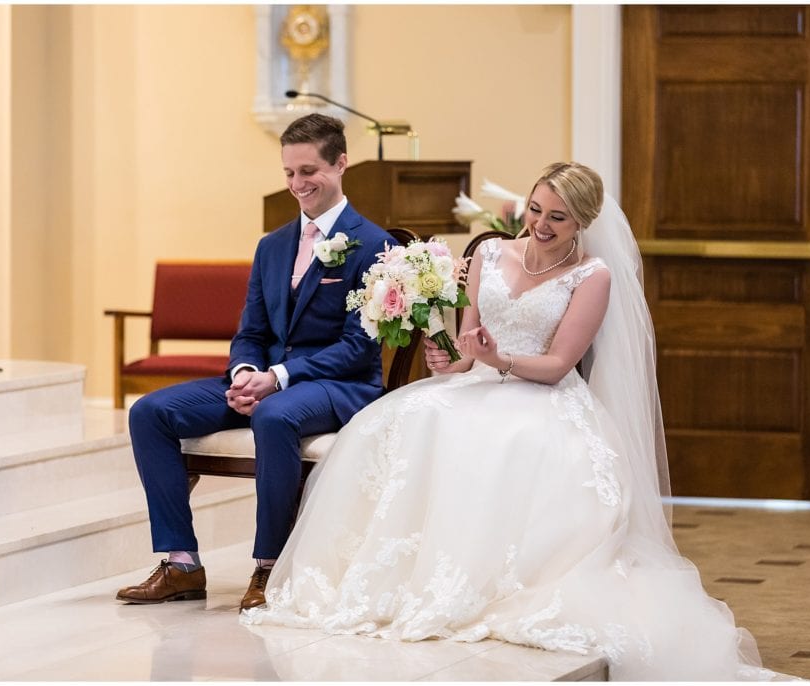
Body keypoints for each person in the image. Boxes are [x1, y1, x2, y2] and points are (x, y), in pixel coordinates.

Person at [240, 162, 775, 680]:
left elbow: (560, 364)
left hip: (541, 395)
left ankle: (486, 586)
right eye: (536, 209)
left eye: (557, 218)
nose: (540, 226)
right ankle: (388, 574)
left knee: (506, 442)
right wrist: (449, 357)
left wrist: (500, 361)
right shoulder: (492, 252)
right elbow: (469, 352)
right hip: (478, 385)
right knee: (400, 421)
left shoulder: (593, 276)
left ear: (582, 222)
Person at [117, 113, 397, 612]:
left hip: (337, 384)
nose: (297, 184)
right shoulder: (271, 247)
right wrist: (247, 373)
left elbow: (359, 348)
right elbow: (250, 332)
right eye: (289, 173)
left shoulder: (376, 245)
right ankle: (181, 563)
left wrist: (278, 378)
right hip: (266, 379)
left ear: (341, 164)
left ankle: (270, 568)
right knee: (149, 412)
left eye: (308, 171)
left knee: (274, 414)